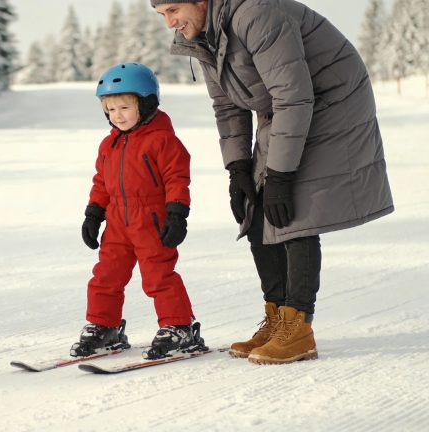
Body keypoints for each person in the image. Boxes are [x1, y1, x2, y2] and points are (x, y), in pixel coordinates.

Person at [150, 0, 394, 364]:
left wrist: (280, 176)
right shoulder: (205, 35)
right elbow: (227, 106)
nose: (170, 22)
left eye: (173, 10)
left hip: (332, 101)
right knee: (256, 206)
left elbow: (294, 95)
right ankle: (278, 315)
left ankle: (298, 326)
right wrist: (238, 170)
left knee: (293, 207)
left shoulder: (256, 14)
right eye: (162, 15)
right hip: (286, 106)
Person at [70, 62, 206, 360]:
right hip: (117, 223)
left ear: (145, 105)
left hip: (152, 220)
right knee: (106, 276)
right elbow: (101, 182)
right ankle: (105, 326)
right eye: (111, 109)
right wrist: (94, 214)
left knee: (159, 276)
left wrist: (176, 214)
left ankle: (178, 327)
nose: (117, 116)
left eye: (124, 108)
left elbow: (176, 178)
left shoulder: (163, 140)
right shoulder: (109, 145)